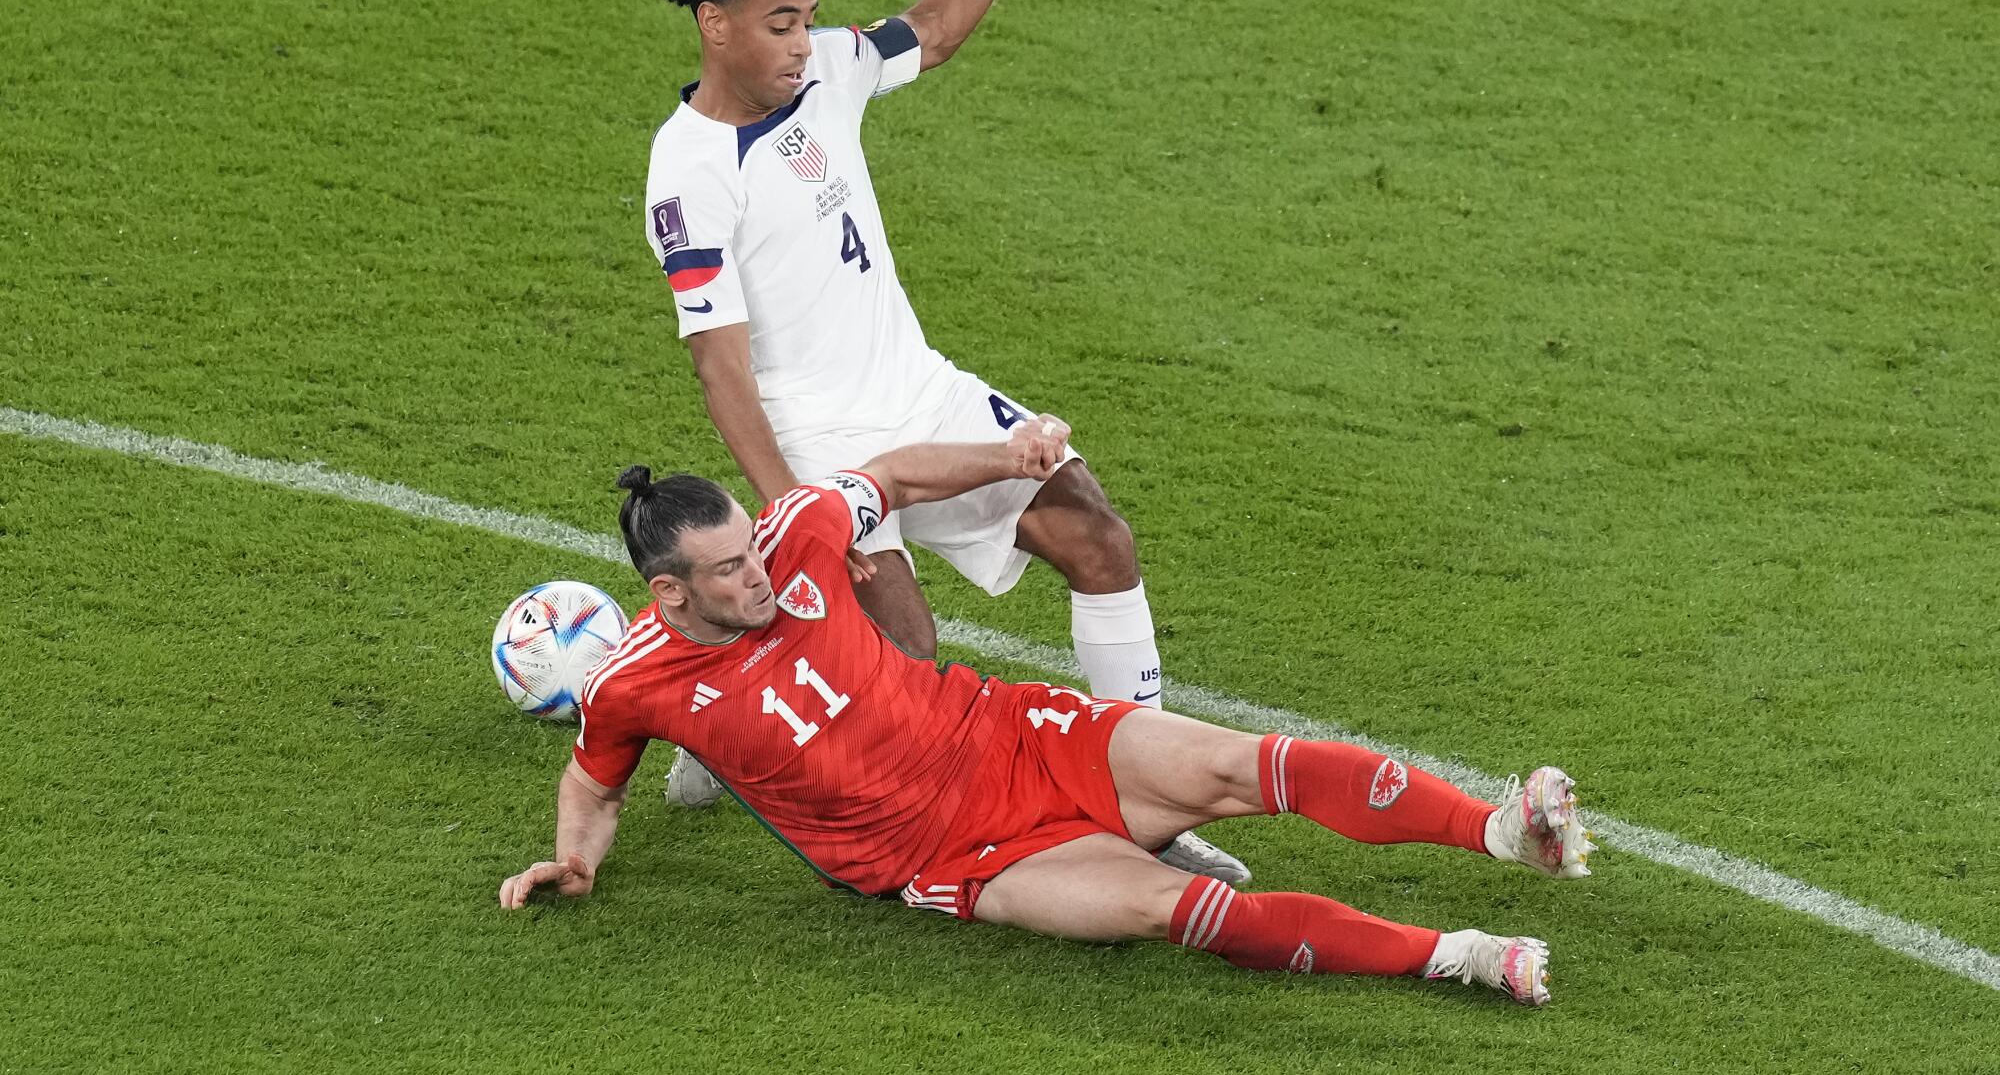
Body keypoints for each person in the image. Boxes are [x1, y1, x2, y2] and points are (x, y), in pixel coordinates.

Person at [640, 0, 1242, 880]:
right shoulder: (687, 170)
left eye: (807, 16)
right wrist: (792, 502)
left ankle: (1148, 812)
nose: (801, 40)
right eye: (778, 22)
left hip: (919, 393)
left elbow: (936, 27)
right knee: (902, 656)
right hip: (821, 441)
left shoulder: (826, 70)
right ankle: (729, 730)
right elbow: (716, 360)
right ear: (714, 23)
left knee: (1099, 538)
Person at [497, 422, 1598, 1006]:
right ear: (668, 592)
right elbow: (592, 780)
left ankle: (1502, 830)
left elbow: (889, 474)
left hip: (1005, 732)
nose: (759, 575)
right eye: (729, 573)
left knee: (1239, 763)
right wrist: (574, 860)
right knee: (1173, 910)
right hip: (952, 854)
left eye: (751, 550)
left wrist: (1010, 453)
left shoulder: (797, 534)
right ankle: (1455, 955)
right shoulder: (636, 681)